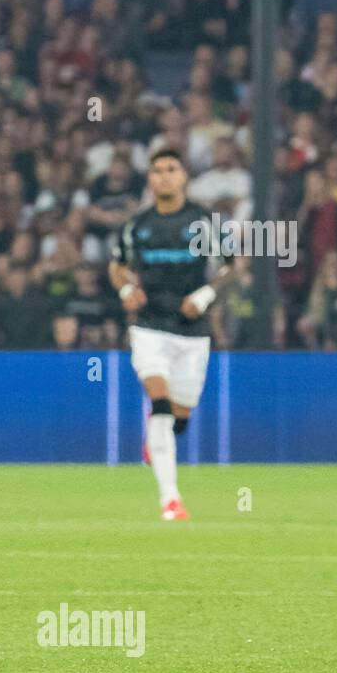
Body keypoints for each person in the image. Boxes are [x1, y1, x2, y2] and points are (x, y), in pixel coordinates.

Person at [110, 148, 237, 520]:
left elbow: (233, 267)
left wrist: (207, 293)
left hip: (192, 333)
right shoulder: (138, 225)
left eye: (171, 169)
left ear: (183, 177)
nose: (164, 176)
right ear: (149, 179)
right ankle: (171, 500)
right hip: (149, 328)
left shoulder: (204, 222)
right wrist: (125, 290)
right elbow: (117, 266)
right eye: (157, 171)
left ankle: (157, 440)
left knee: (180, 417)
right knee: (161, 405)